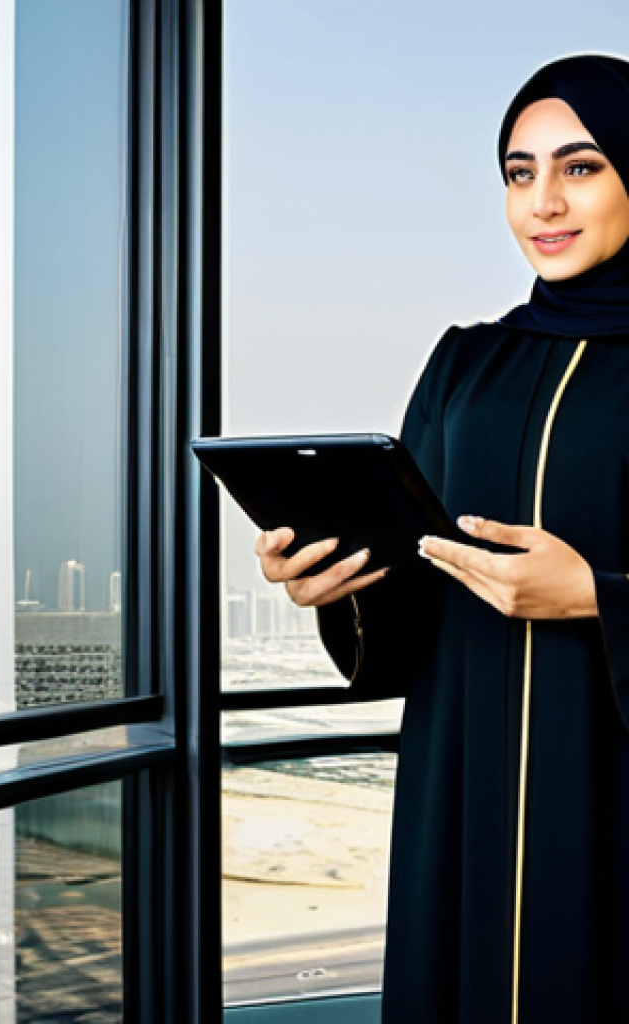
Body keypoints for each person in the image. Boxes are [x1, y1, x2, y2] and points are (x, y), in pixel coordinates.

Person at [255, 55, 629, 1024]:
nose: (541, 201)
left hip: (610, 803)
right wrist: (333, 583)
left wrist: (597, 597)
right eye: (517, 172)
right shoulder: (466, 360)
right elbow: (412, 586)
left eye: (579, 167)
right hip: (462, 790)